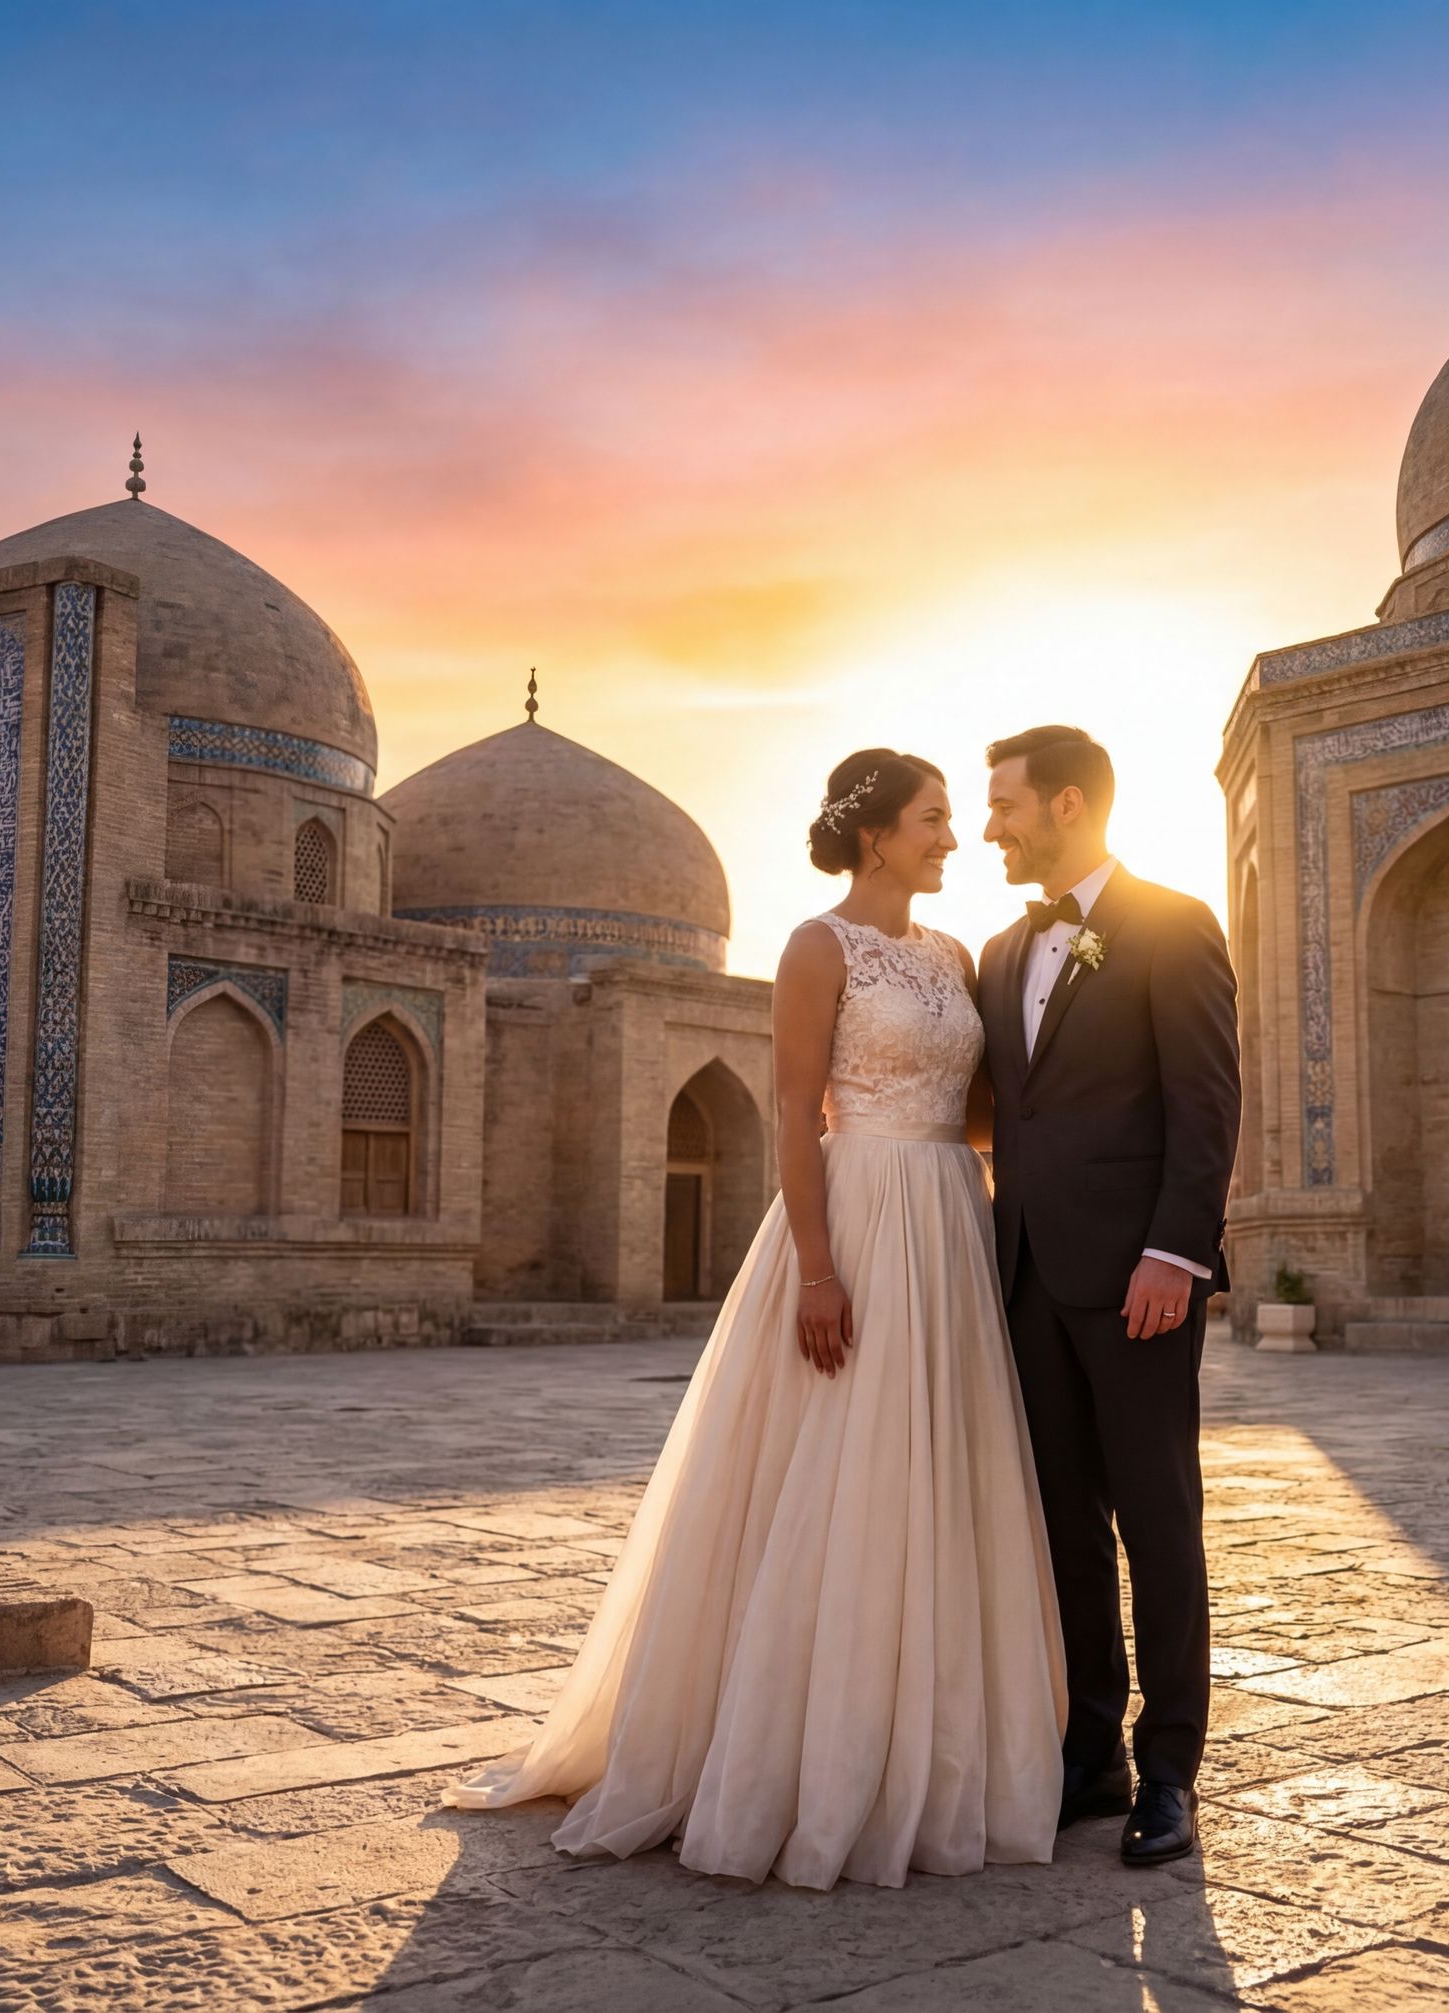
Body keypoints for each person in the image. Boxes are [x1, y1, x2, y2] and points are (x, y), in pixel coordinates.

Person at [446, 751, 1065, 1891]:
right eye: (933, 819)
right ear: (876, 834)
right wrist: (819, 1273)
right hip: (861, 1217)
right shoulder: (817, 948)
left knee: (937, 1467)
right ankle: (807, 1758)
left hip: (948, 1219)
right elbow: (792, 1110)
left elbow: (983, 1111)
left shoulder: (954, 954)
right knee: (842, 1466)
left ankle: (931, 1750)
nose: (952, 838)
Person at [977, 725, 1239, 1868]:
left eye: (1005, 805)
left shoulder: (1173, 924)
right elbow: (1009, 1110)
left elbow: (1205, 1102)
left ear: (1068, 804)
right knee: (1063, 1523)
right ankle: (1093, 1754)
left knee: (1157, 1516)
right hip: (1028, 1274)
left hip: (1138, 1278)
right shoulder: (1000, 952)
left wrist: (1175, 1253)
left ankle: (1170, 1768)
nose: (991, 827)